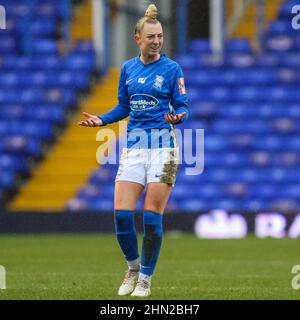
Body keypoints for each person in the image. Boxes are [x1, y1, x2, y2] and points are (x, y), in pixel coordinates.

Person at [78, 4, 189, 297]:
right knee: (122, 216)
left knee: (152, 216)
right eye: (151, 36)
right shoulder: (127, 68)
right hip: (135, 147)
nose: (156, 41)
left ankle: (146, 279)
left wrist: (179, 116)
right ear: (137, 39)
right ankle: (133, 267)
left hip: (164, 148)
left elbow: (183, 105)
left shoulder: (172, 68)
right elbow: (124, 107)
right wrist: (101, 119)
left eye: (160, 36)